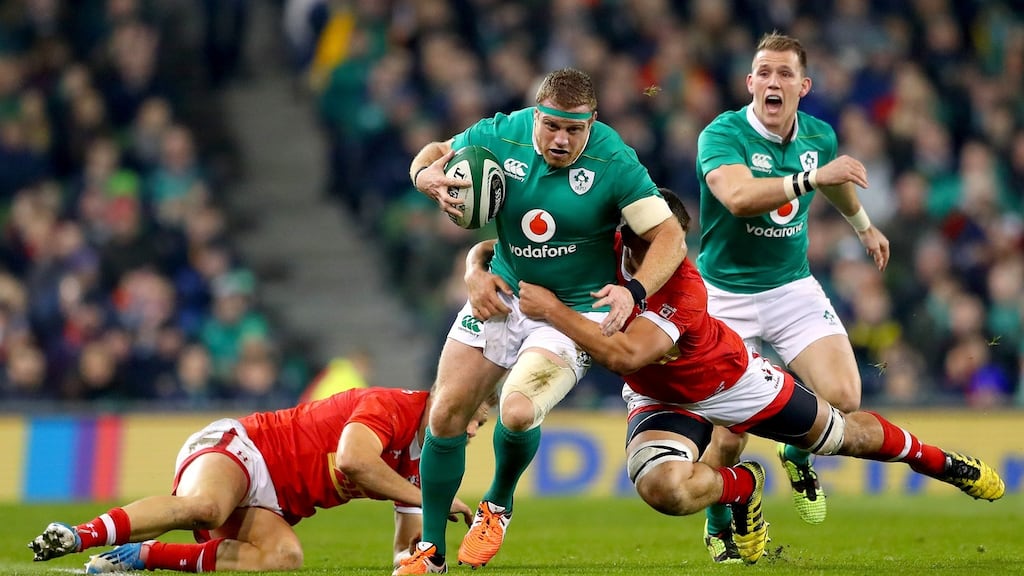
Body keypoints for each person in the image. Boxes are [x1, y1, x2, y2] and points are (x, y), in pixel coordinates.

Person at [506, 188, 1003, 564]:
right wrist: (476, 263)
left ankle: (942, 463)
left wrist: (551, 309)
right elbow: (519, 251)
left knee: (846, 436)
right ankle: (743, 486)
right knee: (662, 488)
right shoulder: (605, 248)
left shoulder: (684, 290)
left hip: (731, 383)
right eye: (642, 243)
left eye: (665, 246)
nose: (652, 255)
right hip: (661, 400)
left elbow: (628, 356)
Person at [396, 67, 686, 574]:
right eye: (551, 125)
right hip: (502, 292)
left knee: (518, 411)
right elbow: (432, 153)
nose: (561, 139)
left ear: (592, 122)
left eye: (574, 129)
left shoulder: (615, 160)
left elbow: (672, 238)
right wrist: (426, 178)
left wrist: (634, 289)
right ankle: (431, 552)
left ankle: (498, 506)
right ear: (536, 115)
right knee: (444, 415)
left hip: (572, 312)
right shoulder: (499, 133)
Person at [695, 31, 892, 555]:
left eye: (785, 74)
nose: (773, 81)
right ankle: (718, 527)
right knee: (728, 432)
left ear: (803, 86)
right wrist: (809, 178)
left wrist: (863, 226)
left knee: (846, 400)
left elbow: (833, 181)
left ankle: (796, 453)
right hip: (724, 295)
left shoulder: (819, 137)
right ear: (750, 82)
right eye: (765, 72)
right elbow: (738, 198)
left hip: (790, 287)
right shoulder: (722, 134)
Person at [28, 386, 492, 574]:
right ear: (449, 397)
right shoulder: (394, 406)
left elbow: (405, 551)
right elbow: (353, 461)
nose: (471, 432)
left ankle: (141, 556)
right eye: (472, 417)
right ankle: (77, 535)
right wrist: (431, 501)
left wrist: (426, 558)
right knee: (207, 506)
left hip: (270, 506)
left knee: (284, 557)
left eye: (480, 426)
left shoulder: (424, 464)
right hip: (246, 448)